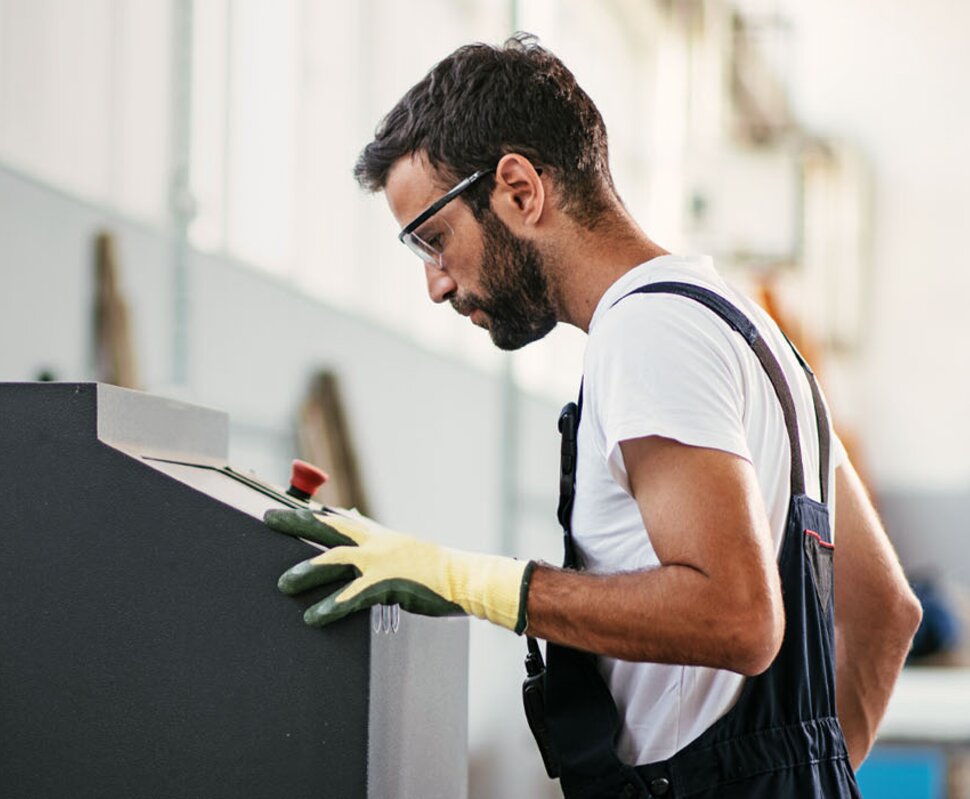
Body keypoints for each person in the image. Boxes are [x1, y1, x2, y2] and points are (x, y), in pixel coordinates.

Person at [264, 34, 922, 798]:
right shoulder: (757, 338)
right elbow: (886, 613)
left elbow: (739, 615)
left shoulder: (648, 331)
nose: (437, 286)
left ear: (518, 189)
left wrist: (457, 577)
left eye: (434, 241)